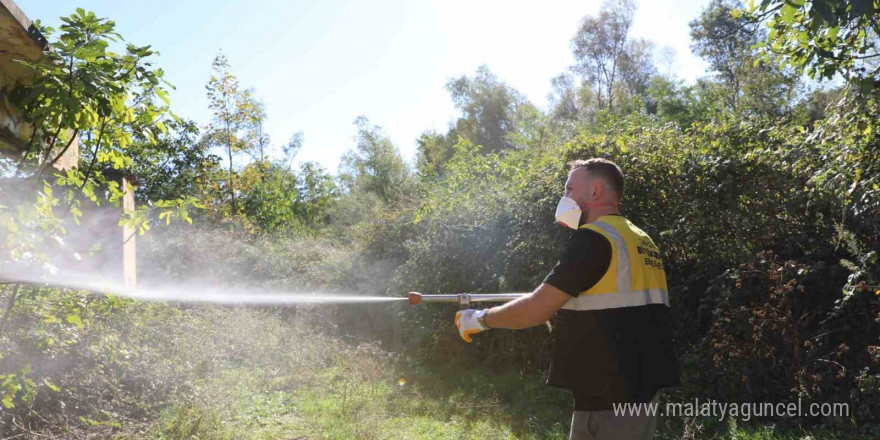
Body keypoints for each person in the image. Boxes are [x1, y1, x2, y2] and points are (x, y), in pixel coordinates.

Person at [452, 158, 679, 440]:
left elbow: (538, 309)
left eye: (570, 189)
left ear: (595, 192)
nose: (565, 197)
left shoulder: (593, 238)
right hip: (642, 395)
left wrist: (480, 319)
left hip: (605, 397)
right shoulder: (640, 239)